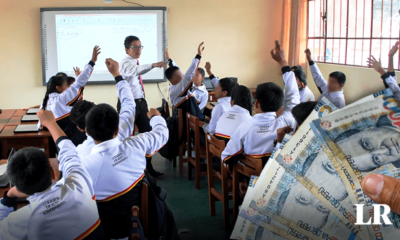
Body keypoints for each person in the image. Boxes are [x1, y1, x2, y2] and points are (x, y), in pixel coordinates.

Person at [82, 58, 169, 239]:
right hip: (135, 225)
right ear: (117, 130)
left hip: (102, 229)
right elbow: (131, 107)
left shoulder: (82, 165)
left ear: (87, 131)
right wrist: (156, 117)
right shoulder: (135, 145)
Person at [0, 109, 103, 239]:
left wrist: (9, 196)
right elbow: (68, 152)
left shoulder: (21, 220)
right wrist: (50, 123)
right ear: (52, 173)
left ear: (19, 187)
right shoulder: (79, 183)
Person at [221, 40, 300, 165]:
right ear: (280, 106)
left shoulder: (245, 127)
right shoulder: (286, 122)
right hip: (276, 179)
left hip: (250, 180)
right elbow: (293, 97)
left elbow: (226, 157)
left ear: (256, 104)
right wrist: (283, 62)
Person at [119, 35, 167, 177]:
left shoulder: (134, 61)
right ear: (127, 49)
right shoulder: (125, 63)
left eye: (140, 46)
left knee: (147, 133)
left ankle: (148, 168)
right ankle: (129, 170)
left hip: (140, 102)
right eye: (135, 47)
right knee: (127, 136)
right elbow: (136, 71)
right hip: (128, 104)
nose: (138, 49)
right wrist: (153, 65)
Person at [38, 46, 101, 146]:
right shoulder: (61, 99)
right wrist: (92, 61)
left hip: (57, 140)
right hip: (72, 139)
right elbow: (79, 84)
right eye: (67, 85)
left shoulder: (48, 100)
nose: (69, 87)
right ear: (58, 88)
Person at [70, 69, 136, 158]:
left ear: (84, 129)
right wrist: (117, 74)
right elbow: (128, 103)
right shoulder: (123, 130)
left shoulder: (80, 153)